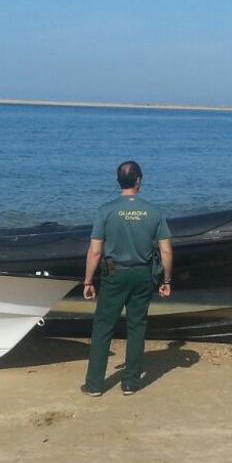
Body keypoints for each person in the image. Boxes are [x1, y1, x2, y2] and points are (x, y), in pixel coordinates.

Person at [81, 161, 173, 396]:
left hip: (114, 274)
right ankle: (131, 382)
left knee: (103, 327)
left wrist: (88, 281)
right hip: (142, 274)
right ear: (139, 181)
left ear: (118, 181)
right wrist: (166, 281)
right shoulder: (154, 211)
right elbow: (166, 251)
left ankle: (94, 384)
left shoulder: (105, 211)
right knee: (136, 326)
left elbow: (95, 251)